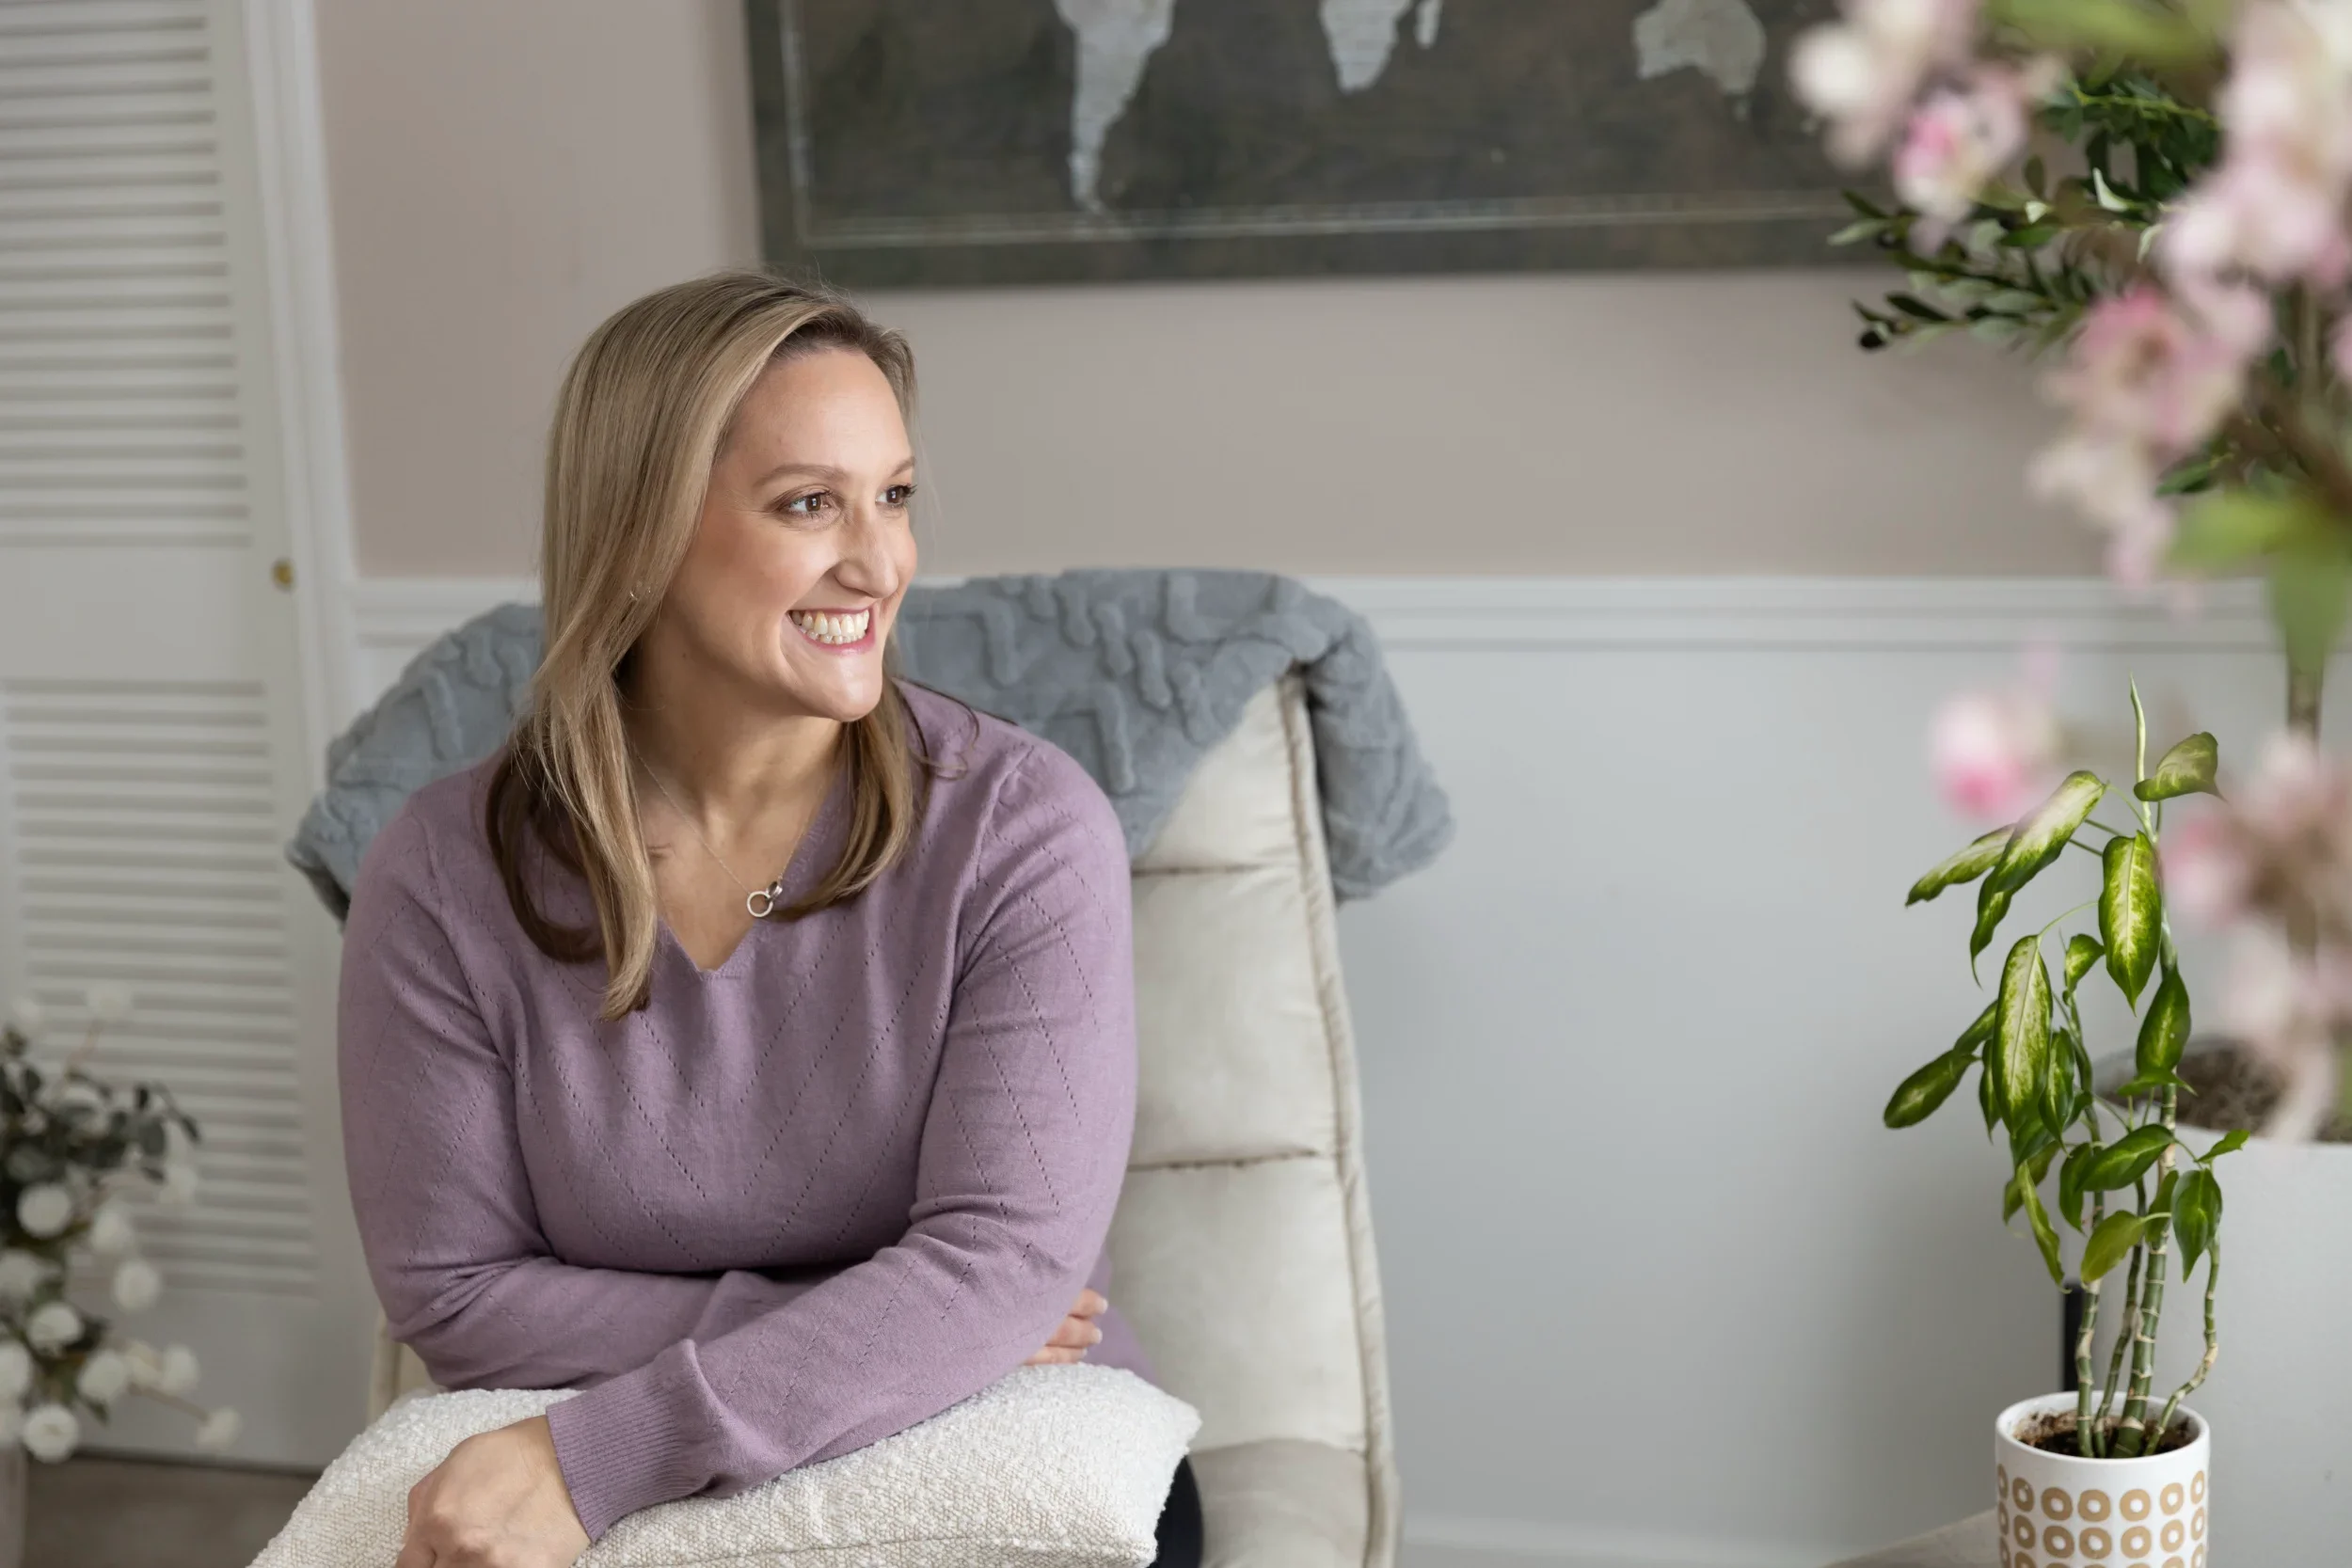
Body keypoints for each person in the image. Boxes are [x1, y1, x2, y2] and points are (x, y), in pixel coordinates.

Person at [336, 270, 1203, 1568]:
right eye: (810, 503)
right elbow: (451, 1292)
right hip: (686, 1433)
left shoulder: (1021, 831)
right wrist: (865, 1314)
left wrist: (609, 1452)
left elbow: (1004, 1268)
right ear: (643, 529)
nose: (880, 560)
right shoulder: (444, 877)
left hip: (1011, 1435)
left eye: (894, 495)